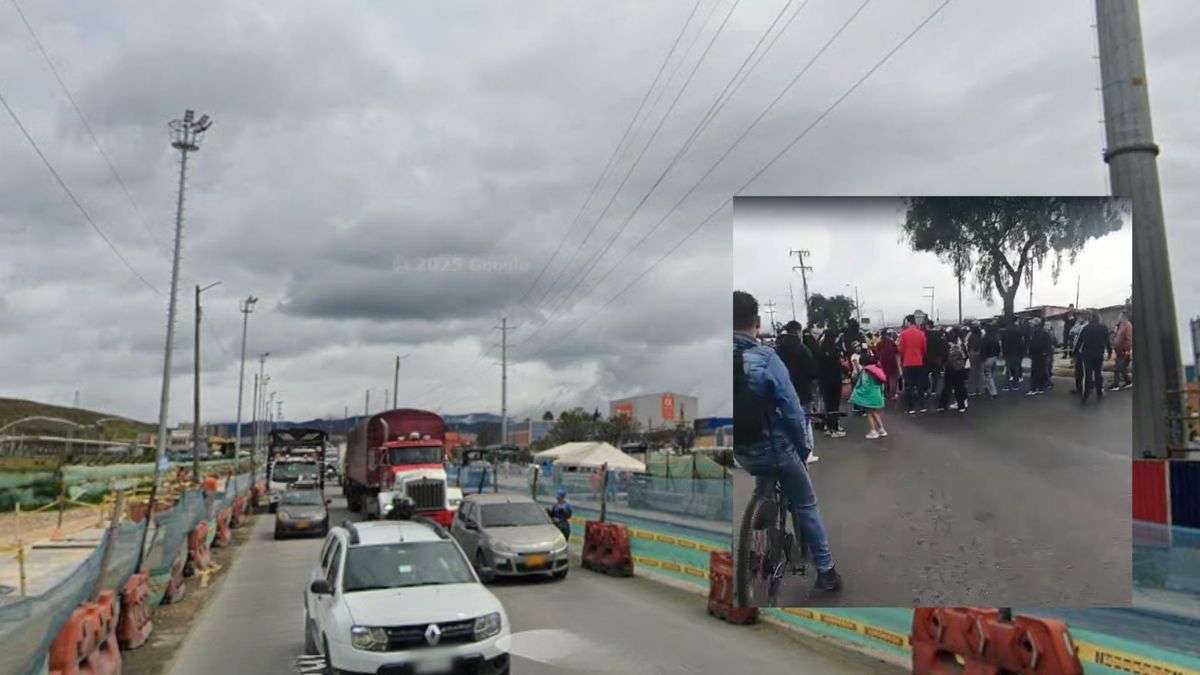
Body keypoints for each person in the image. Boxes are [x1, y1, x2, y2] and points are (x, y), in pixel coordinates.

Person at [733, 291, 841, 591]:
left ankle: (759, 547)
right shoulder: (765, 358)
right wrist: (804, 450)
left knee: (764, 485)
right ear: (756, 322)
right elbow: (793, 412)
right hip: (775, 448)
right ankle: (826, 572)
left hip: (741, 452)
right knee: (805, 504)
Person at [776, 320, 818, 412]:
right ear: (798, 331)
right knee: (804, 420)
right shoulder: (803, 349)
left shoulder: (778, 349)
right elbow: (812, 371)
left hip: (784, 392)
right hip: (803, 391)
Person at [849, 353, 888, 438]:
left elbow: (865, 384)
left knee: (869, 413)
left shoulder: (866, 371)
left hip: (869, 394)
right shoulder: (877, 369)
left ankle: (873, 431)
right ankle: (881, 429)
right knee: (875, 412)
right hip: (877, 393)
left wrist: (858, 392)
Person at [1077, 310, 1113, 404]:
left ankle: (1086, 395)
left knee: (1087, 374)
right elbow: (1107, 342)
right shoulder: (1103, 328)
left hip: (1087, 355)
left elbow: (1080, 342)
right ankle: (1099, 392)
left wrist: (1075, 353)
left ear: (1090, 318)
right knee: (1098, 373)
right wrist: (1109, 352)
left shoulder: (1086, 328)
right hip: (1098, 354)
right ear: (1099, 318)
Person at [816, 330, 846, 441]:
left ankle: (829, 427)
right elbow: (839, 365)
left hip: (824, 381)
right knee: (834, 404)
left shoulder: (821, 349)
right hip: (834, 381)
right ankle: (834, 428)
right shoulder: (835, 350)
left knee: (828, 404)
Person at [898, 315, 928, 414]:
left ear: (908, 322)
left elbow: (901, 349)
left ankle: (911, 407)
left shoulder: (903, 334)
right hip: (919, 361)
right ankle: (922, 406)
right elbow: (924, 349)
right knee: (920, 385)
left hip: (907, 362)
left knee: (909, 386)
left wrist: (905, 356)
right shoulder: (921, 334)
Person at [939, 328, 970, 412]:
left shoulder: (946, 345)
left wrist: (942, 366)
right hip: (960, 368)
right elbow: (966, 356)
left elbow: (943, 358)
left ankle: (942, 405)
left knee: (947, 387)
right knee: (959, 387)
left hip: (949, 369)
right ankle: (961, 407)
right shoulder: (960, 345)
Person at [1027, 319, 1053, 396]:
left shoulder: (1042, 333)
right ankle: (1039, 388)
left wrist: (1045, 353)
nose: (1031, 325)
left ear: (1036, 324)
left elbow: (1047, 345)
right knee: (1039, 371)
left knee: (1036, 372)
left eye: (1032, 323)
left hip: (1039, 355)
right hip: (1037, 355)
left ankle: (1035, 388)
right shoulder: (1034, 333)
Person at [874, 330, 901, 402]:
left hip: (883, 363)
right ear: (887, 335)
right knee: (893, 378)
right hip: (892, 362)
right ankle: (893, 394)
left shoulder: (879, 344)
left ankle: (885, 393)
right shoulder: (891, 342)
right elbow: (896, 351)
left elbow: (877, 353)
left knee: (885, 378)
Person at [1001, 317, 1026, 391]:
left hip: (1008, 352)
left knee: (1007, 370)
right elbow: (1022, 342)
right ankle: (1016, 385)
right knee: (1016, 369)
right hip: (1017, 352)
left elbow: (1003, 342)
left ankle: (1006, 385)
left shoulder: (1006, 330)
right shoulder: (1019, 330)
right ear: (1016, 321)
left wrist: (1003, 352)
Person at [1111, 311, 1133, 391]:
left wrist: (1126, 350)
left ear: (1124, 316)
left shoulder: (1127, 326)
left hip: (1123, 350)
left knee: (1117, 367)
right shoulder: (1121, 325)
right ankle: (1128, 381)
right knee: (1122, 368)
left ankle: (1116, 385)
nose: (1118, 317)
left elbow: (1129, 339)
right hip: (1119, 349)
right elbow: (1117, 336)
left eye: (1120, 315)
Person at [925, 326, 947, 403]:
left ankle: (927, 389)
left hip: (927, 358)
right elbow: (944, 347)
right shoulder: (940, 336)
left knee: (926, 374)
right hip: (937, 358)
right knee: (936, 375)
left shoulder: (926, 336)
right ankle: (934, 390)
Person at [980, 323, 1001, 399]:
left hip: (987, 358)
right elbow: (998, 348)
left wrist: (982, 358)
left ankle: (993, 392)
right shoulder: (995, 338)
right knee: (991, 373)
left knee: (988, 375)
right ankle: (987, 386)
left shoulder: (985, 338)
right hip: (994, 357)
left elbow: (983, 349)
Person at [1069, 314, 1088, 394]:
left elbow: (1076, 331)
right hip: (1077, 349)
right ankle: (1078, 387)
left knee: (1083, 371)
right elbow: (1071, 332)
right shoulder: (1078, 325)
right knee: (1078, 371)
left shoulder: (1086, 326)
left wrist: (1076, 328)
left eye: (1080, 318)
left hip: (1083, 351)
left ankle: (1085, 387)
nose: (1078, 319)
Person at [966, 324, 983, 397]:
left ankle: (971, 390)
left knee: (972, 372)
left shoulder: (971, 335)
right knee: (979, 372)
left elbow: (968, 344)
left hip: (972, 353)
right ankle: (979, 390)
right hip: (980, 353)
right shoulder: (981, 335)